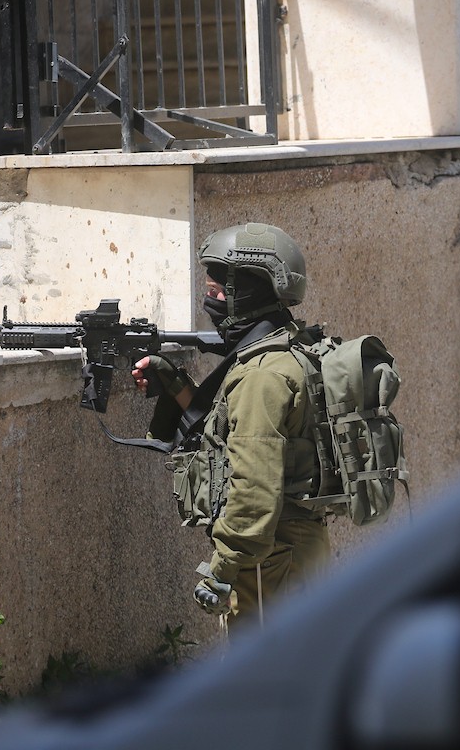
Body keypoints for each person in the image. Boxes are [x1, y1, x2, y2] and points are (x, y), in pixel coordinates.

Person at [132, 222, 332, 629]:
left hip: (270, 561)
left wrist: (221, 569)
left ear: (252, 291)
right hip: (286, 552)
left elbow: (254, 489)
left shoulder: (261, 376)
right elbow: (226, 432)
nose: (212, 299)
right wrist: (174, 384)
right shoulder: (286, 347)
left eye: (220, 289)